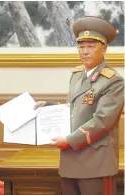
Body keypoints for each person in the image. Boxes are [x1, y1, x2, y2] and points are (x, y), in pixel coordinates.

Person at [35, 16, 124, 195]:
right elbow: (75, 107)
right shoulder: (77, 74)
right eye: (81, 46)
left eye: (91, 46)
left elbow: (101, 121)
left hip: (96, 162)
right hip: (71, 159)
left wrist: (69, 140)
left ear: (104, 49)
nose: (84, 51)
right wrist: (49, 106)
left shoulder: (113, 81)